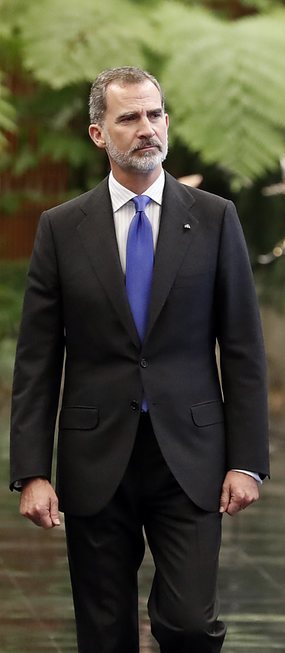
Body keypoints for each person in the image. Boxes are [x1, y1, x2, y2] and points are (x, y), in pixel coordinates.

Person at [8, 66, 269, 653]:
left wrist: (248, 462)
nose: (145, 128)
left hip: (192, 457)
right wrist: (32, 471)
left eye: (154, 115)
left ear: (167, 123)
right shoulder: (61, 228)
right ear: (100, 134)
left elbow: (245, 349)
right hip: (95, 457)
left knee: (190, 624)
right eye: (128, 118)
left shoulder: (214, 218)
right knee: (104, 633)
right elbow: (37, 360)